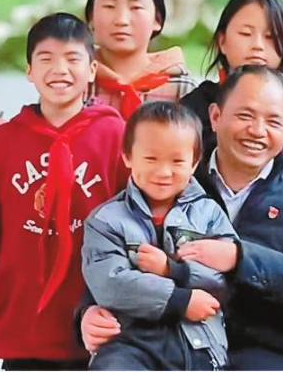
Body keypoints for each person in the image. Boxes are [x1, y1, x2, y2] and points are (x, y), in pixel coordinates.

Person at [82, 66, 283, 370]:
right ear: (216, 116)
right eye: (245, 115)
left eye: (274, 121)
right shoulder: (173, 172)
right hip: (168, 345)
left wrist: (239, 258)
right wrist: (87, 313)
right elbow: (114, 249)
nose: (258, 130)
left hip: (271, 354)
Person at [0, 13, 129, 370]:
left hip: (96, 321)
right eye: (46, 59)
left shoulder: (115, 136)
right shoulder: (5, 140)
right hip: (23, 320)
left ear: (92, 70)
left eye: (72, 59)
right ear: (29, 71)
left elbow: (134, 222)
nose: (59, 70)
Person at [82, 101, 238, 370]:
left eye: (177, 161)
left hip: (199, 341)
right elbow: (110, 283)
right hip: (128, 342)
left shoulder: (209, 214)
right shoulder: (106, 220)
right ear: (127, 156)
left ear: (194, 162)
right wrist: (181, 300)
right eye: (151, 159)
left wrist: (173, 270)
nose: (164, 172)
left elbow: (227, 280)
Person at [180, 0, 283, 168]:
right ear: (222, 41)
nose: (258, 45)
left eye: (271, 36)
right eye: (245, 33)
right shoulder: (193, 108)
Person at [85, 0, 195, 119]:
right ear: (91, 17)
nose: (122, 20)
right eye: (109, 6)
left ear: (157, 19)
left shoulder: (184, 90)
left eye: (136, 7)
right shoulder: (74, 82)